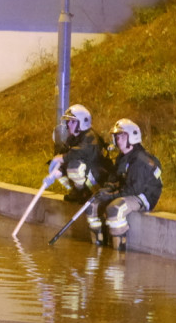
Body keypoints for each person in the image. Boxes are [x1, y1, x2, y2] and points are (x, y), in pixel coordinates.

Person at [86, 118, 163, 252]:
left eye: (121, 136)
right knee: (92, 204)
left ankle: (118, 254)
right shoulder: (123, 156)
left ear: (132, 137)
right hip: (128, 190)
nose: (117, 140)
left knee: (115, 208)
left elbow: (133, 189)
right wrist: (107, 188)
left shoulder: (140, 160)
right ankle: (98, 248)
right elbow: (115, 175)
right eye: (116, 136)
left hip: (143, 196)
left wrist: (111, 196)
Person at [47, 104, 112, 202]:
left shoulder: (90, 137)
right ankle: (77, 191)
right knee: (58, 166)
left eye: (72, 122)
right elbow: (64, 152)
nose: (68, 124)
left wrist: (61, 158)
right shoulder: (73, 137)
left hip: (96, 177)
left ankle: (87, 192)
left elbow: (79, 152)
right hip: (86, 174)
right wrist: (58, 169)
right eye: (68, 121)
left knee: (74, 166)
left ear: (82, 122)